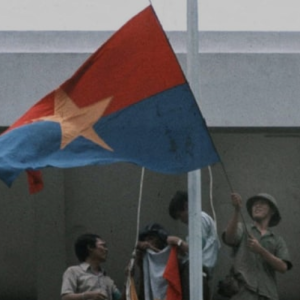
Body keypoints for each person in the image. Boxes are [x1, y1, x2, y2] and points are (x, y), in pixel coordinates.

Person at [223, 192, 292, 300]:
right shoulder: (243, 228)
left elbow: (283, 267)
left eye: (262, 203)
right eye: (254, 204)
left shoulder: (277, 240)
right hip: (243, 294)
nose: (257, 206)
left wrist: (261, 250)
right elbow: (229, 238)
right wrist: (237, 210)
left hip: (268, 295)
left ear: (272, 211)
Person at [167, 190, 220, 300]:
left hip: (196, 273)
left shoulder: (199, 218)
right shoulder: (199, 220)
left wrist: (178, 241)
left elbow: (196, 248)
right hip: (197, 273)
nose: (181, 220)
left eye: (179, 215)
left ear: (186, 206)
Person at [61, 233, 123, 300]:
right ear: (90, 247)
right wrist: (86, 296)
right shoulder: (73, 271)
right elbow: (65, 297)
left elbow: (120, 298)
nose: (106, 249)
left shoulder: (107, 279)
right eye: (103, 245)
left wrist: (128, 278)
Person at [135, 223, 182, 300]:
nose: (147, 242)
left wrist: (151, 248)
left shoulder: (172, 257)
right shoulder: (146, 259)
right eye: (145, 240)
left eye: (151, 238)